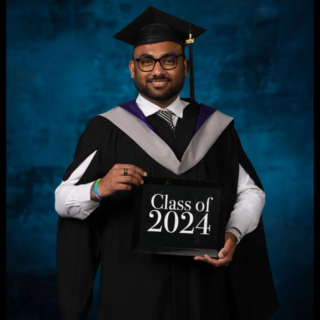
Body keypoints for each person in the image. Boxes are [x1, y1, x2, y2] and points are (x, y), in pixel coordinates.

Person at [54, 6, 278, 320]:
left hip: (204, 289)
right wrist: (98, 188)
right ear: (132, 68)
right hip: (133, 292)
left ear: (185, 66)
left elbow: (252, 193)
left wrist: (234, 233)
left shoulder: (215, 128)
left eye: (169, 60)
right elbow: (62, 200)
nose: (157, 70)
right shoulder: (107, 129)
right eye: (146, 61)